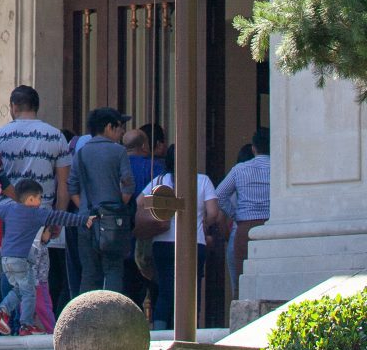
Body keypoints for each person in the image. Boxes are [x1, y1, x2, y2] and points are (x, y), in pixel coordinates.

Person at [0, 85, 72, 320]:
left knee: (9, 267)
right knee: (33, 272)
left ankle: (7, 321)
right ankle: (26, 323)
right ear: (36, 106)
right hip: (40, 214)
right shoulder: (55, 136)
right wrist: (58, 217)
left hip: (6, 212)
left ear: (13, 107)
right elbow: (64, 183)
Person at [0, 181, 92, 335]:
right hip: (20, 260)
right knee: (30, 292)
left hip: (5, 260)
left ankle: (2, 310)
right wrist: (83, 220)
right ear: (30, 199)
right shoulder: (36, 213)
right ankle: (26, 325)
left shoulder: (8, 209)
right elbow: (61, 217)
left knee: (19, 289)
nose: (41, 201)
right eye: (39, 198)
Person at [142, 144, 224, 329]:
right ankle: (190, 331)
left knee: (164, 290)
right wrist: (204, 224)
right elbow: (213, 212)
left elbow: (140, 202)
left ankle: (160, 332)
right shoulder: (202, 181)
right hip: (194, 242)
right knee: (192, 290)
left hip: (163, 242)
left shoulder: (159, 181)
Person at [70, 107, 135, 294]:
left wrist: (84, 207)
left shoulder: (81, 153)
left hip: (86, 220)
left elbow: (72, 186)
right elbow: (128, 184)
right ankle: (112, 319)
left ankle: (85, 319)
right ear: (108, 127)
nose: (122, 132)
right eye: (119, 127)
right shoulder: (119, 151)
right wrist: (119, 203)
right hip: (113, 221)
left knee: (89, 273)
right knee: (113, 270)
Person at [214, 127, 271, 297]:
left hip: (245, 228)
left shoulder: (240, 169)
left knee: (241, 283)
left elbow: (219, 195)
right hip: (272, 226)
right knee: (270, 279)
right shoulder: (281, 168)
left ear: (253, 148)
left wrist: (235, 214)